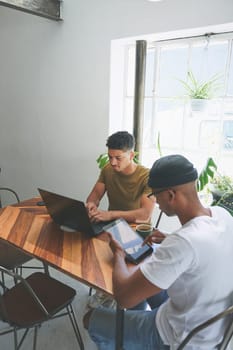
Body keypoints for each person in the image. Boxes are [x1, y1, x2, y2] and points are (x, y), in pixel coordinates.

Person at [83, 154, 233, 349]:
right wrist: (170, 237)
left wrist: (119, 254)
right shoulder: (222, 215)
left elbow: (123, 297)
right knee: (143, 281)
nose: (154, 202)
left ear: (171, 195)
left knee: (90, 317)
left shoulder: (184, 242)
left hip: (179, 337)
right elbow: (204, 247)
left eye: (154, 195)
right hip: (211, 324)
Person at [86, 131, 154, 224]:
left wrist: (110, 215)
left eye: (118, 158)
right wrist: (91, 204)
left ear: (131, 156)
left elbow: (145, 215)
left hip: (137, 227)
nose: (113, 162)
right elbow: (96, 195)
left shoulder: (147, 176)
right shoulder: (107, 169)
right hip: (112, 225)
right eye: (110, 157)